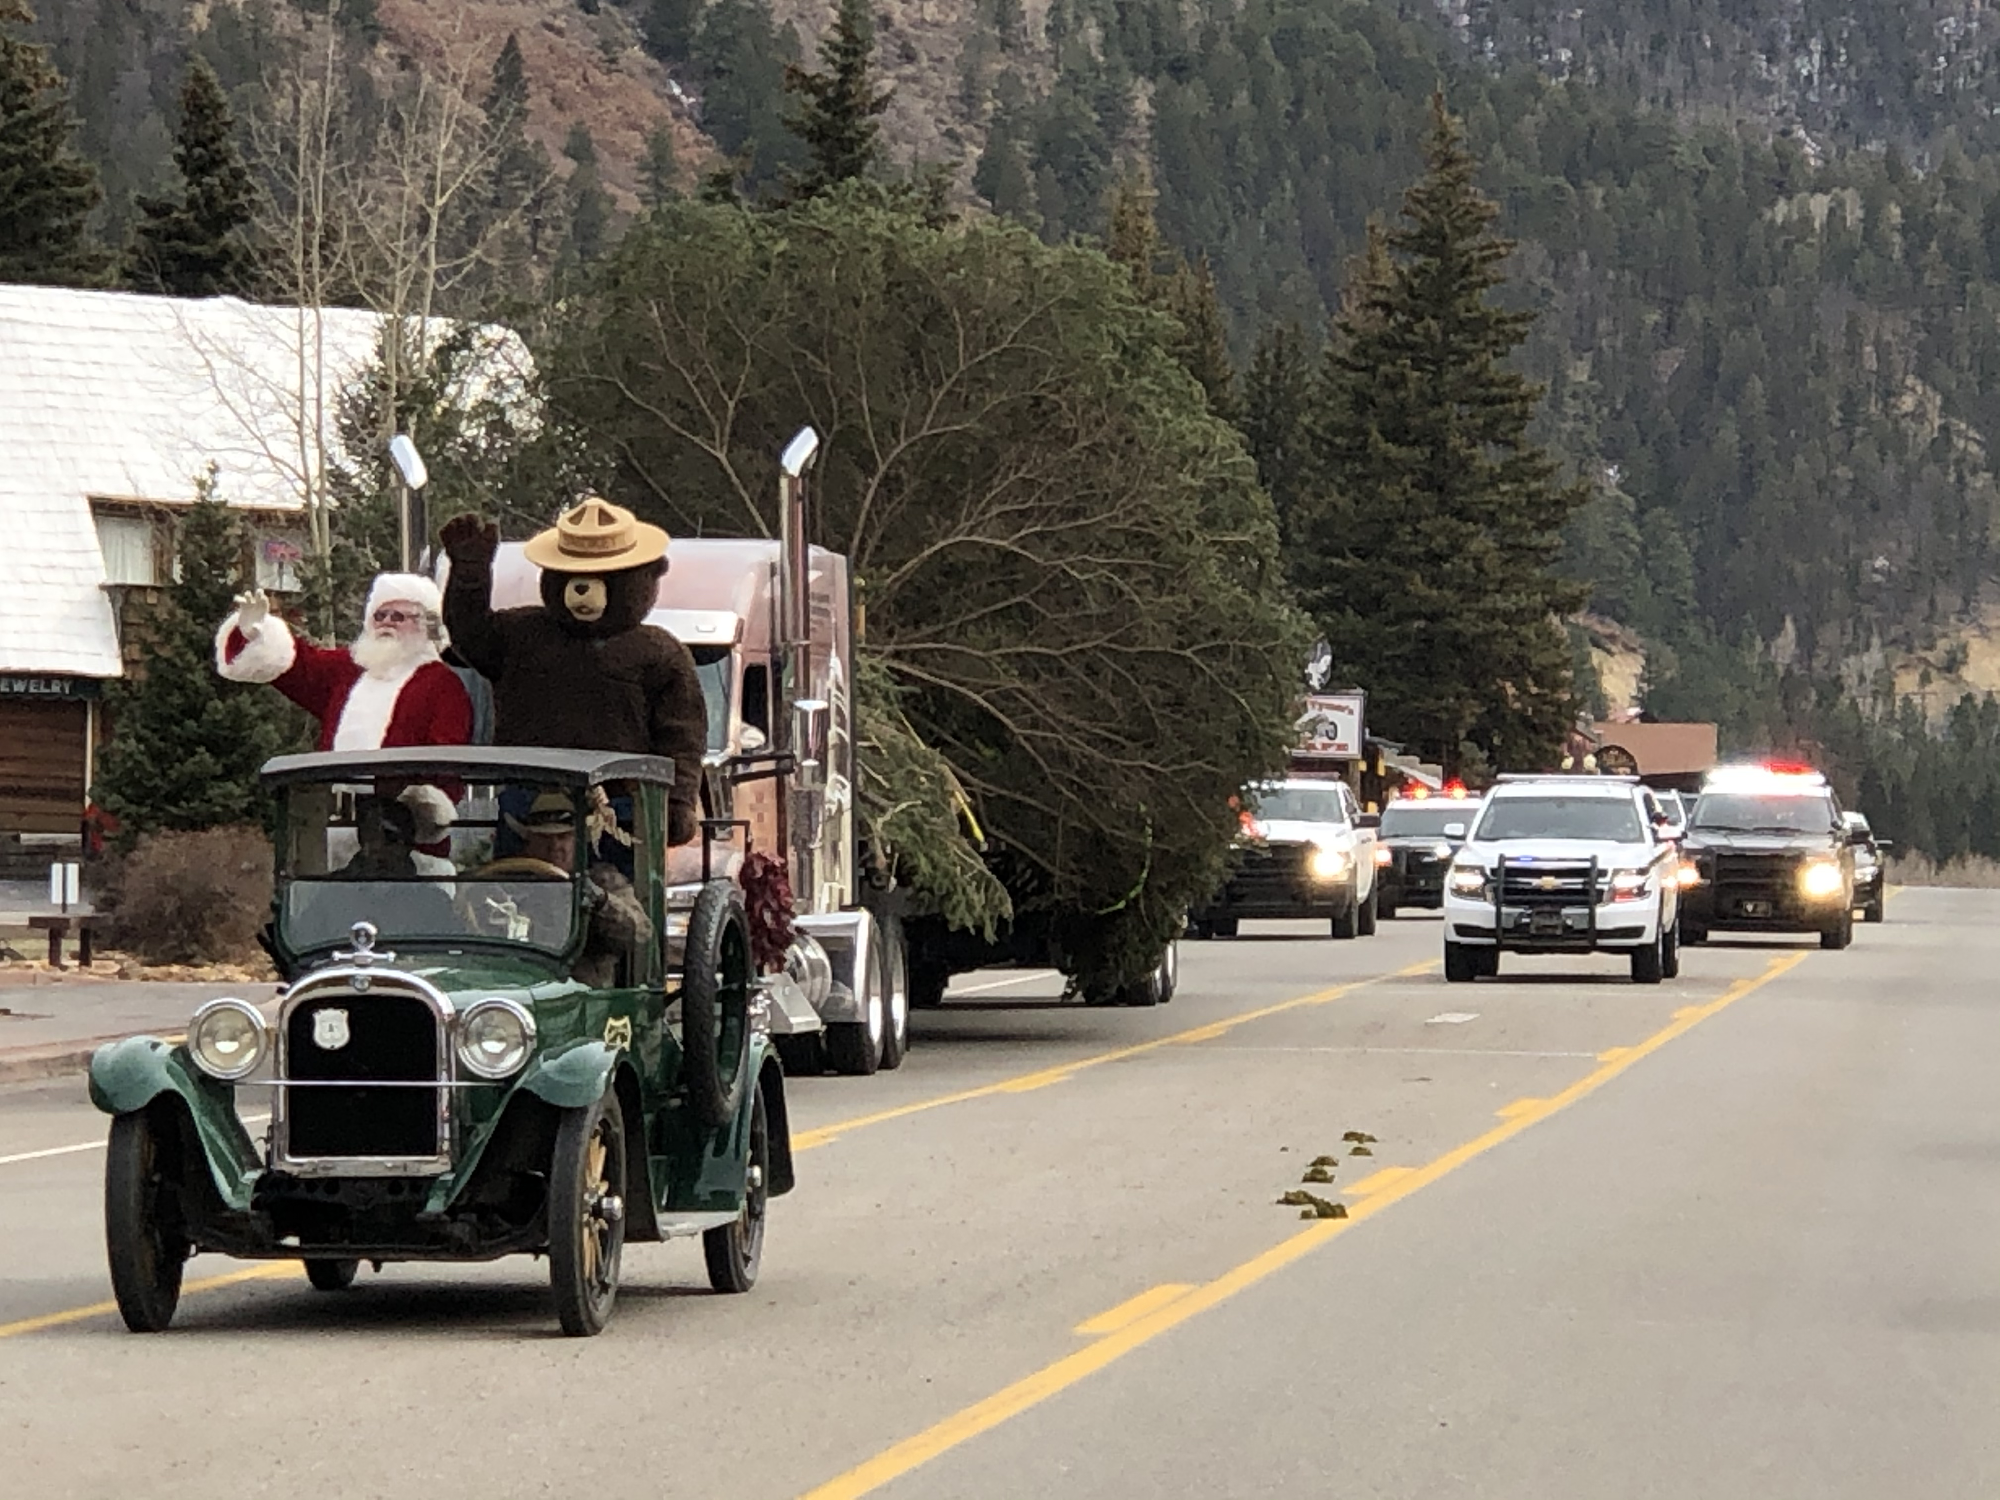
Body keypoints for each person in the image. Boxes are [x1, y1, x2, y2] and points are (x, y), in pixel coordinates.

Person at [215, 575, 473, 755]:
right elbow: (293, 665)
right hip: (334, 813)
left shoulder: (442, 684)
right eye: (379, 615)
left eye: (398, 616)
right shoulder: (345, 670)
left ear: (425, 624)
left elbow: (445, 756)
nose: (386, 622)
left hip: (403, 822)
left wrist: (425, 808)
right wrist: (254, 635)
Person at [503, 790, 653, 987]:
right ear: (529, 843)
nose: (554, 846)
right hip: (512, 990)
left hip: (587, 997)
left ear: (578, 841)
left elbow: (641, 933)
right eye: (544, 838)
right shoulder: (507, 885)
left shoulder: (603, 881)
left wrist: (601, 902)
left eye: (563, 837)